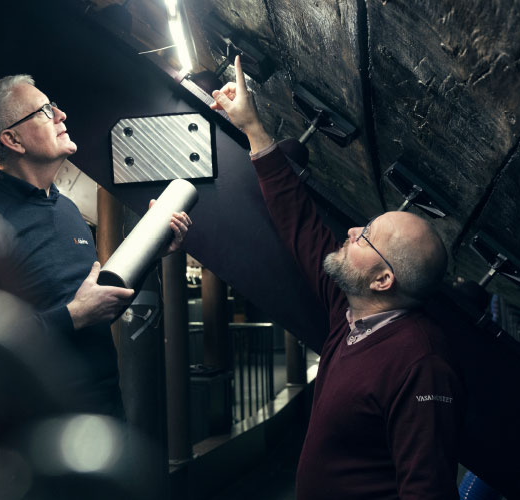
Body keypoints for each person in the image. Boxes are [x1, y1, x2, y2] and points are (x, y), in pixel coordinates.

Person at [211, 57, 465, 499]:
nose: (350, 232)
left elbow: (426, 491)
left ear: (383, 280)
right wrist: (253, 129)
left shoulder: (420, 366)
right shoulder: (354, 314)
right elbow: (301, 225)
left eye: (365, 237)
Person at [0, 75, 191, 418]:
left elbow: (102, 306)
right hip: (43, 428)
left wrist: (152, 252)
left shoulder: (65, 208)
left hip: (105, 407)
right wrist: (75, 315)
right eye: (44, 110)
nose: (61, 115)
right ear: (13, 139)